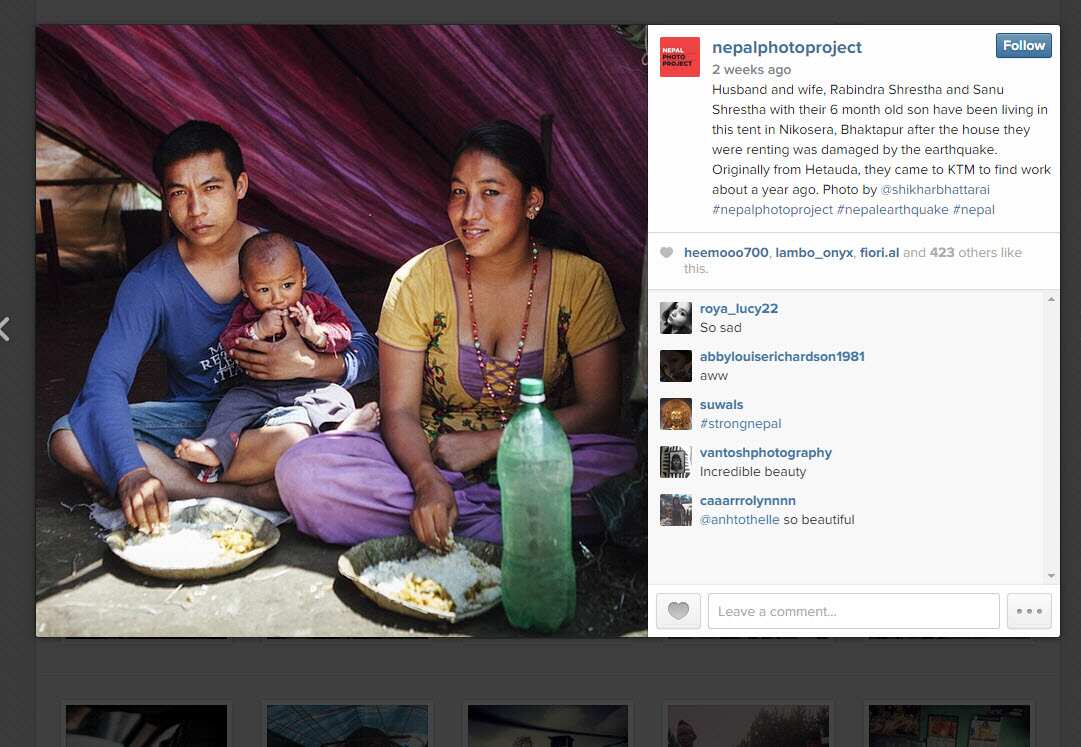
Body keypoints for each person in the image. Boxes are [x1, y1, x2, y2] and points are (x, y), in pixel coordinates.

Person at [276, 120, 638, 551]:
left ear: (532, 202)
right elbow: (399, 411)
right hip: (428, 458)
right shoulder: (417, 280)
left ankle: (448, 526)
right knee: (303, 471)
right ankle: (512, 527)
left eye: (490, 192)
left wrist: (492, 443)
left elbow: (599, 410)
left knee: (629, 464)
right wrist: (427, 482)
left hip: (535, 460)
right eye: (458, 192)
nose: (469, 213)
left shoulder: (581, 280)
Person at [47, 120, 378, 533]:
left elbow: (367, 352)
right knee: (68, 437)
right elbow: (105, 381)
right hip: (200, 425)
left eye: (211, 188)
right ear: (165, 201)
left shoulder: (288, 261)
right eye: (179, 194)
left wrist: (308, 365)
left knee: (291, 438)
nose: (196, 209)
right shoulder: (150, 283)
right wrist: (131, 472)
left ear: (239, 186)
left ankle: (174, 482)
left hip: (283, 415)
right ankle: (249, 494)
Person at [174, 232, 380, 478]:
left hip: (310, 386)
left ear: (303, 277)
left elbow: (344, 330)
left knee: (339, 398)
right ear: (245, 288)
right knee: (230, 406)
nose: (277, 298)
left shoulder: (315, 305)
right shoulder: (248, 314)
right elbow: (229, 342)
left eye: (287, 285)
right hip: (258, 390)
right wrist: (257, 329)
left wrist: (318, 334)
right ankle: (212, 447)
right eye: (263, 289)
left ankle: (342, 430)